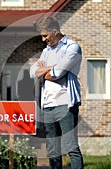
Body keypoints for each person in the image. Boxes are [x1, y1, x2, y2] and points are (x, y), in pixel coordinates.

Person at [30, 16, 84, 169]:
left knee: (70, 147)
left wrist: (45, 70)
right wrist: (49, 68)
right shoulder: (46, 51)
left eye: (45, 35)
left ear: (54, 31)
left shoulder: (72, 47)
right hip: (47, 105)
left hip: (65, 105)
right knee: (53, 150)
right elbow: (32, 72)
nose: (43, 39)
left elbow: (57, 74)